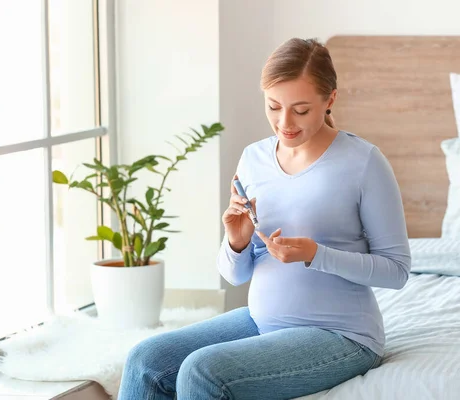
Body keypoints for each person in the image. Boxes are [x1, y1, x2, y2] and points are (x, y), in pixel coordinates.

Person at [118, 37, 411, 400]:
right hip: (261, 320)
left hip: (340, 334)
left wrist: (316, 254)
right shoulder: (253, 159)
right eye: (273, 106)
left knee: (202, 372)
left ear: (330, 99)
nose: (284, 122)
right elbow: (236, 274)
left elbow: (396, 271)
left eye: (300, 110)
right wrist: (237, 242)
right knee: (146, 360)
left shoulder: (364, 162)